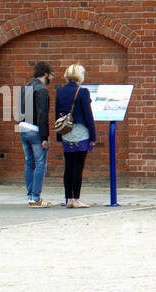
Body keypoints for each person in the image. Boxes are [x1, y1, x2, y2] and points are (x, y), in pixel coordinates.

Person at [55, 63, 96, 208]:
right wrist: (93, 136)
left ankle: (68, 199)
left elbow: (56, 115)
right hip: (80, 132)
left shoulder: (60, 91)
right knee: (78, 166)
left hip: (66, 133)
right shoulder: (83, 92)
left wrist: (59, 135)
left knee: (69, 166)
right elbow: (88, 115)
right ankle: (76, 199)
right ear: (80, 75)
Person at [17, 62, 54, 207]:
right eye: (51, 74)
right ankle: (35, 197)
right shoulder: (42, 90)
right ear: (45, 74)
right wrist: (44, 137)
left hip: (23, 127)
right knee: (40, 163)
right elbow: (42, 115)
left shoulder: (25, 87)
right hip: (35, 130)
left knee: (29, 162)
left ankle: (30, 195)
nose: (51, 77)